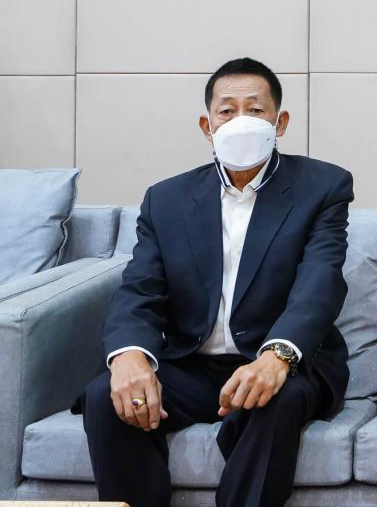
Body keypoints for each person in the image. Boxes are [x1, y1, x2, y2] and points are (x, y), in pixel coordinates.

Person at [79, 57, 354, 507]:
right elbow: (140, 288)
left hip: (280, 362)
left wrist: (277, 357)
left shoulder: (322, 187)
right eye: (227, 111)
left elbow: (320, 284)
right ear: (207, 126)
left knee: (274, 400)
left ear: (280, 122)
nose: (241, 120)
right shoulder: (166, 199)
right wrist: (128, 354)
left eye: (256, 110)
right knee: (106, 397)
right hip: (191, 365)